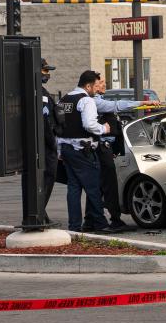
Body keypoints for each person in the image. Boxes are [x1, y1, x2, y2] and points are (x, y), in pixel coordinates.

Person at [56, 70, 111, 233]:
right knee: (93, 187)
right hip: (83, 150)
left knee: (73, 189)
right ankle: (100, 224)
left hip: (67, 149)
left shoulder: (64, 99)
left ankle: (74, 226)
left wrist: (60, 150)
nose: (97, 88)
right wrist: (104, 128)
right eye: (95, 85)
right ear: (88, 86)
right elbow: (89, 125)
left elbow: (58, 127)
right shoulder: (86, 101)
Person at [92, 75, 141, 231]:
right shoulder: (95, 101)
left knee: (100, 186)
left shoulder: (96, 100)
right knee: (108, 184)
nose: (104, 86)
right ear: (93, 85)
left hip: (107, 149)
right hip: (102, 149)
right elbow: (116, 106)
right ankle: (114, 219)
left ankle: (92, 219)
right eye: (101, 83)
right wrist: (142, 103)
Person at [40, 59, 62, 209]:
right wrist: (53, 145)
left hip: (46, 144)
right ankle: (40, 212)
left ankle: (41, 213)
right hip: (45, 146)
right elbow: (45, 121)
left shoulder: (41, 91)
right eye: (45, 71)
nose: (48, 75)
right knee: (47, 178)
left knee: (47, 179)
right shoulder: (38, 93)